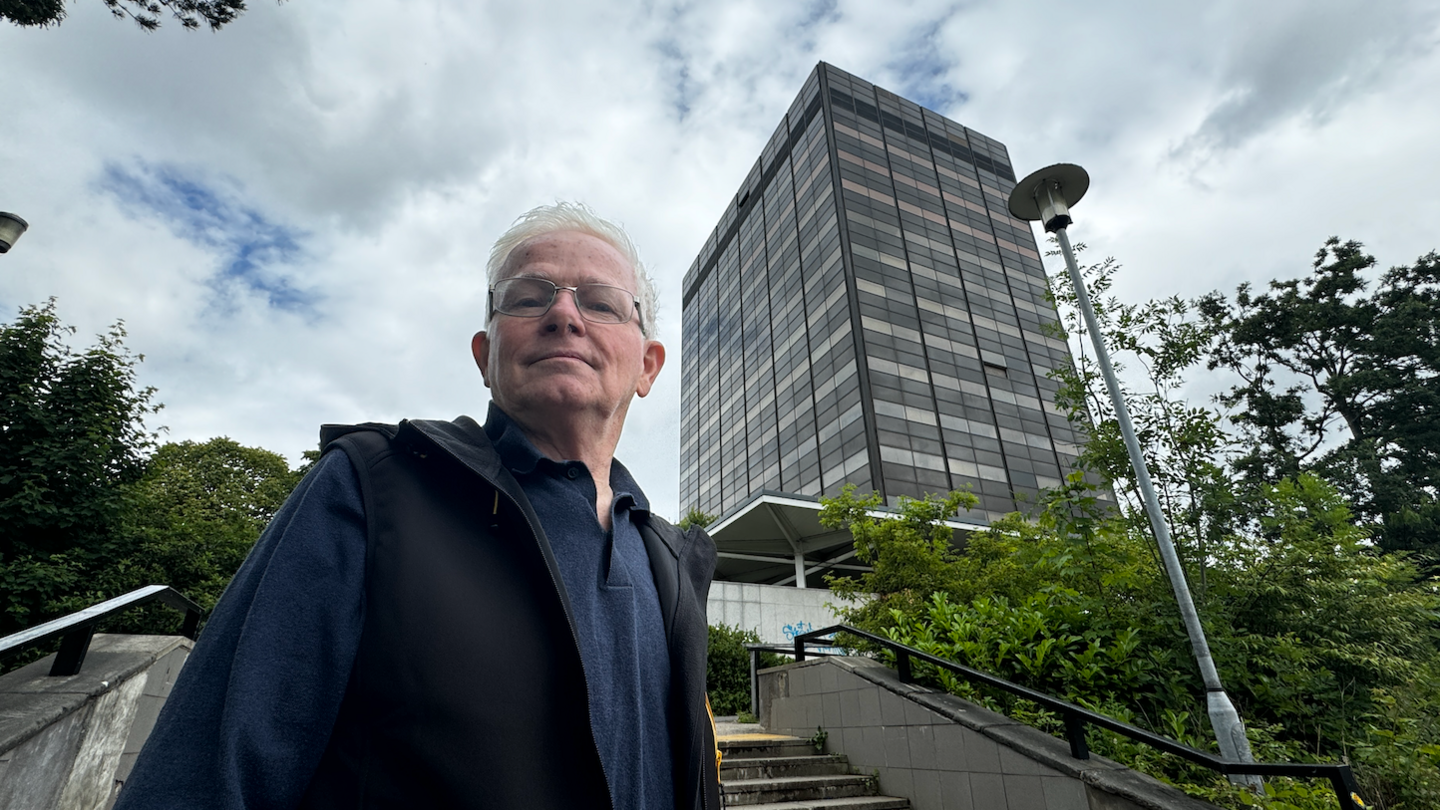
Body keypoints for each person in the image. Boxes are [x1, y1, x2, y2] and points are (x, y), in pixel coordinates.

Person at [114, 202, 721, 810]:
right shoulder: (372, 486)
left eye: (600, 302)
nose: (564, 314)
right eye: (529, 296)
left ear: (647, 366)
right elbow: (207, 776)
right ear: (485, 356)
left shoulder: (669, 558)